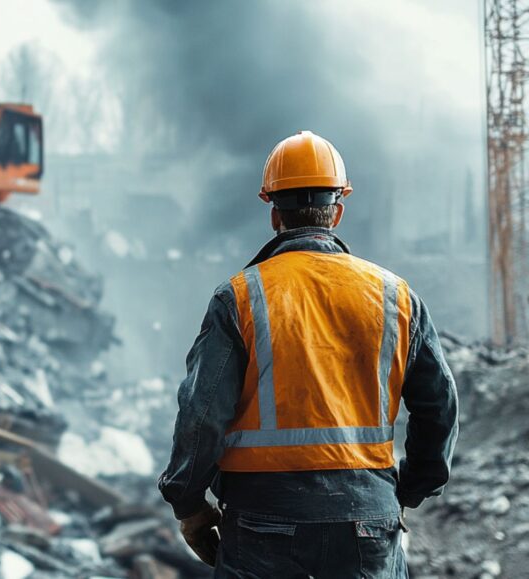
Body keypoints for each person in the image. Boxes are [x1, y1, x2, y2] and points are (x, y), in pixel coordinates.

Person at [158, 131, 459, 578]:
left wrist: (189, 504)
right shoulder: (396, 297)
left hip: (262, 520)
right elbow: (439, 407)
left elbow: (202, 416)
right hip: (367, 518)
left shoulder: (240, 298)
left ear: (274, 212)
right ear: (337, 211)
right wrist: (408, 489)